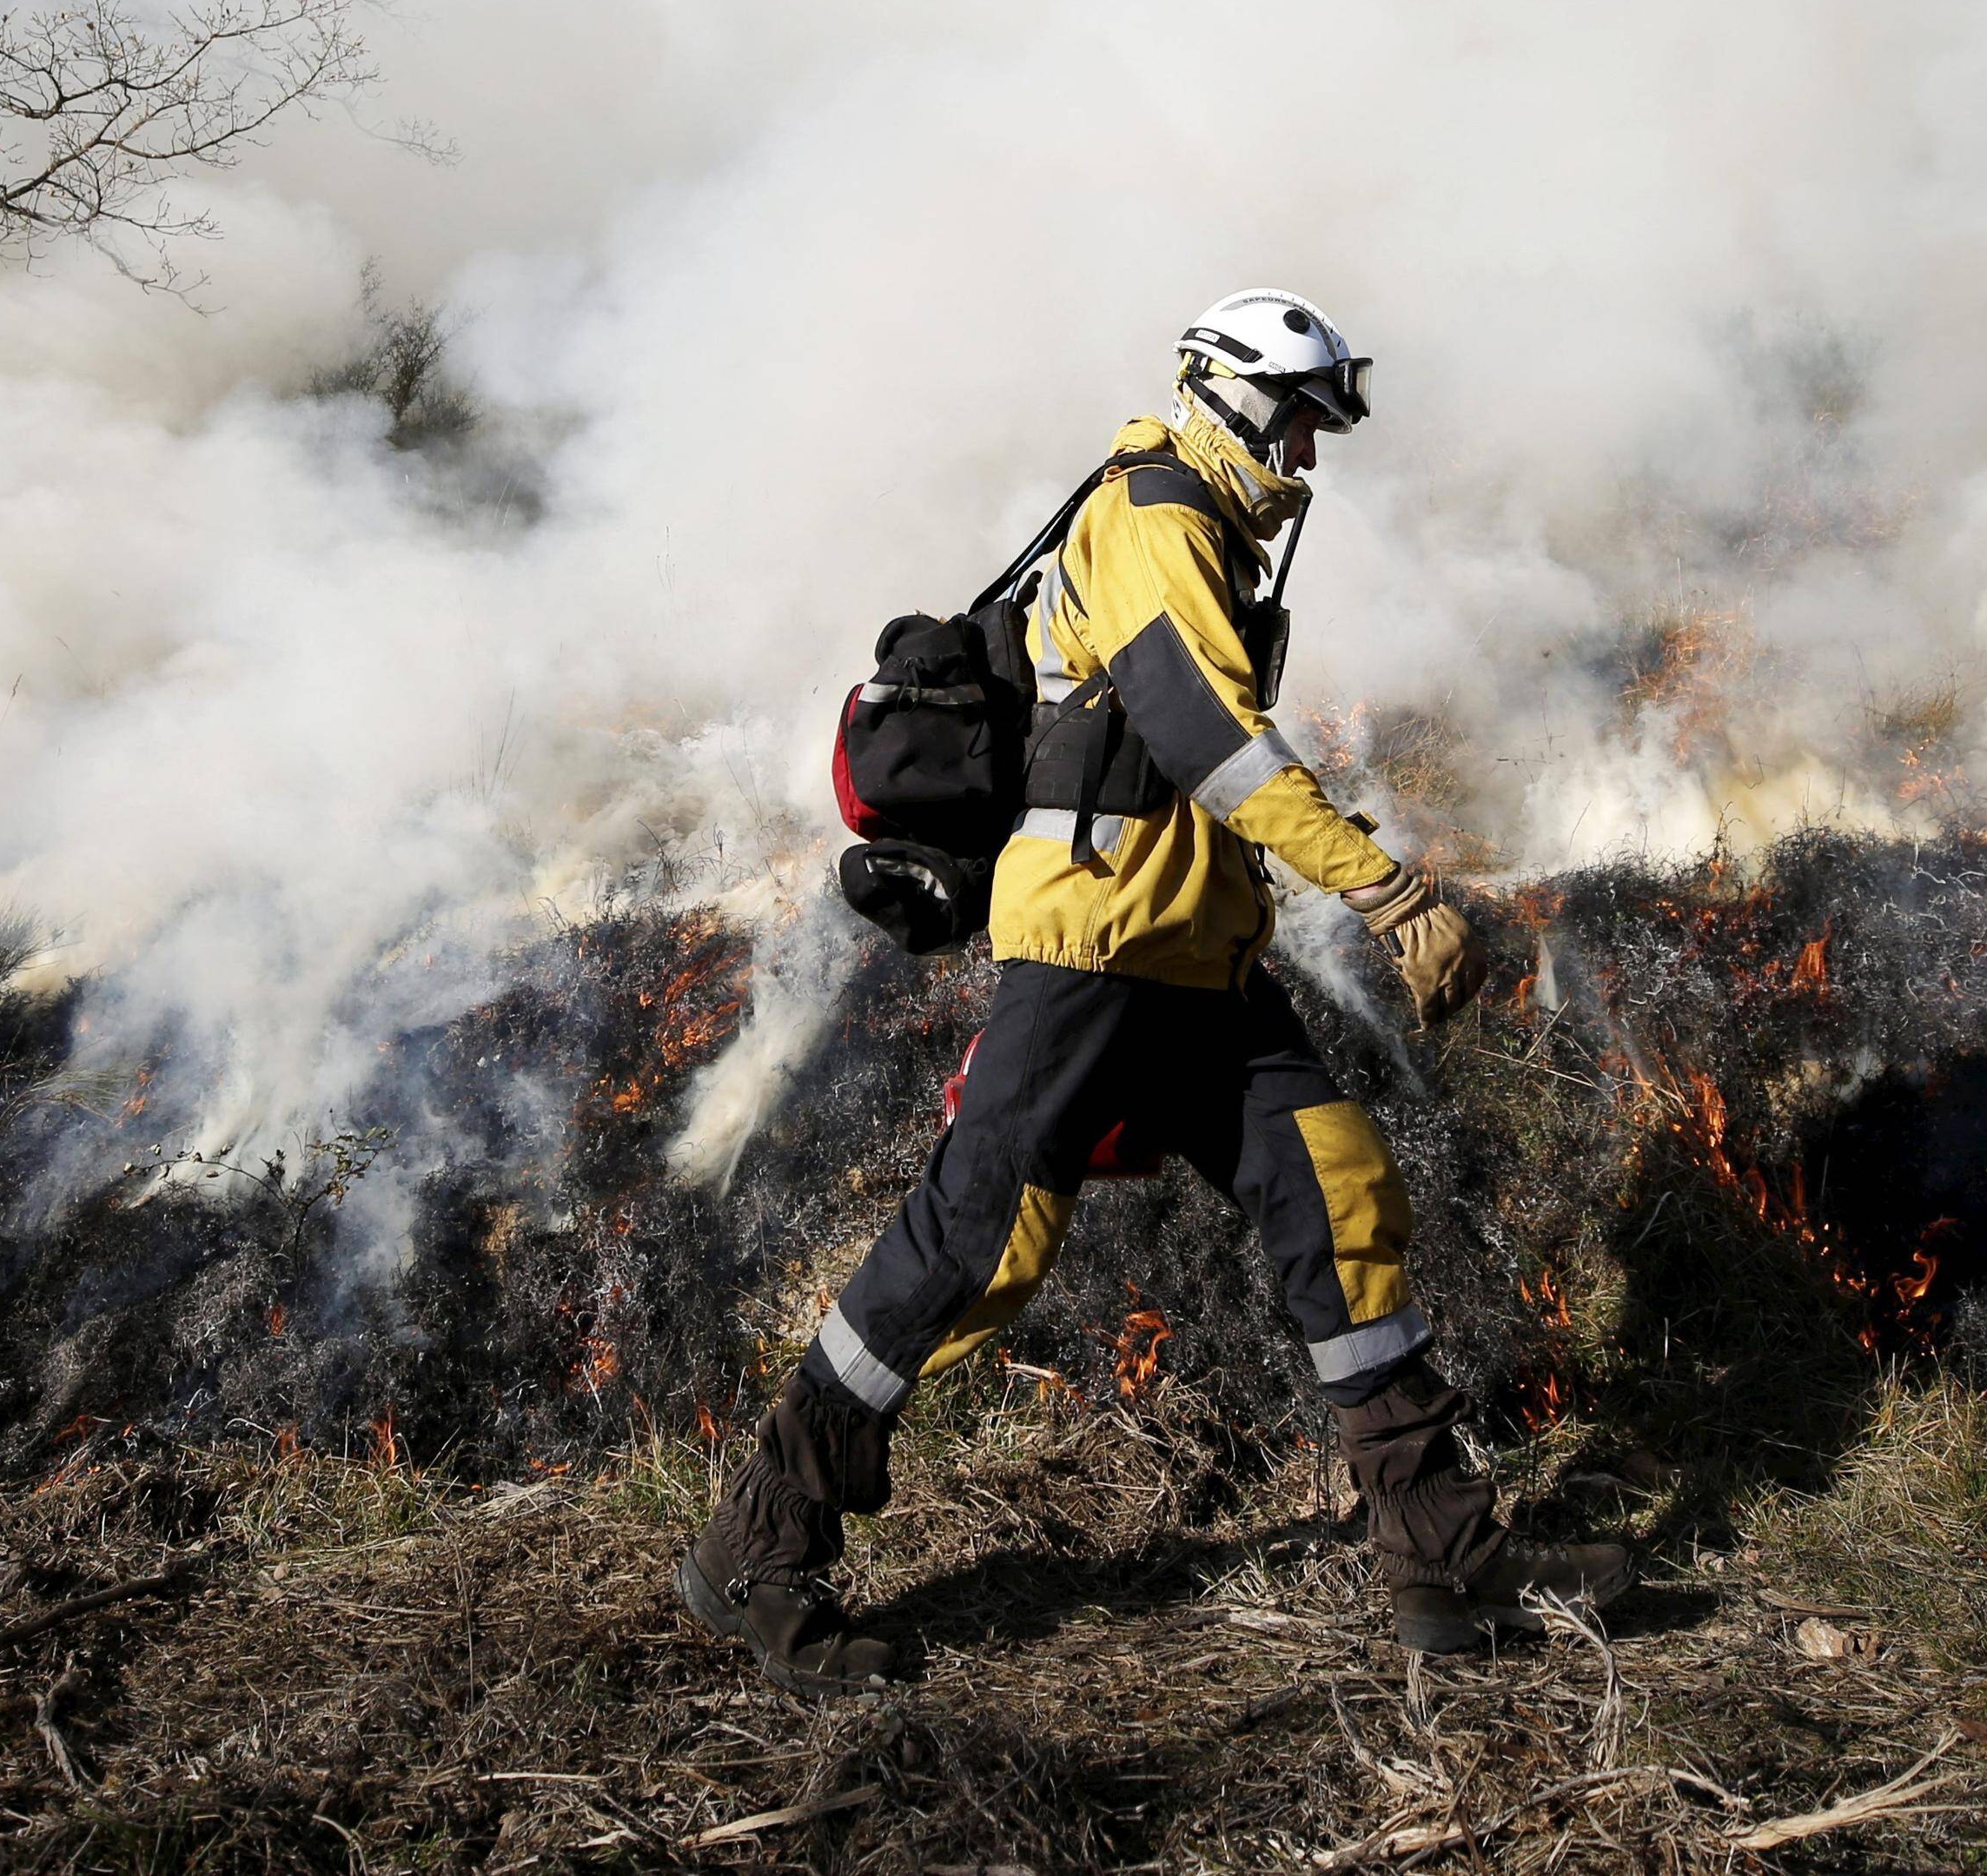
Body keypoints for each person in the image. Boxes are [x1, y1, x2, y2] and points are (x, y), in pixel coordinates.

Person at [677, 289, 1636, 1691]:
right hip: (1092, 943)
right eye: (1299, 424)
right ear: (1238, 400)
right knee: (977, 1247)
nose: (1307, 458)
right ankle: (758, 1545)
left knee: (1340, 1189)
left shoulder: (1210, 533)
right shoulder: (1153, 515)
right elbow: (1210, 743)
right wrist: (1387, 891)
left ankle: (1444, 1553)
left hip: (1193, 957)